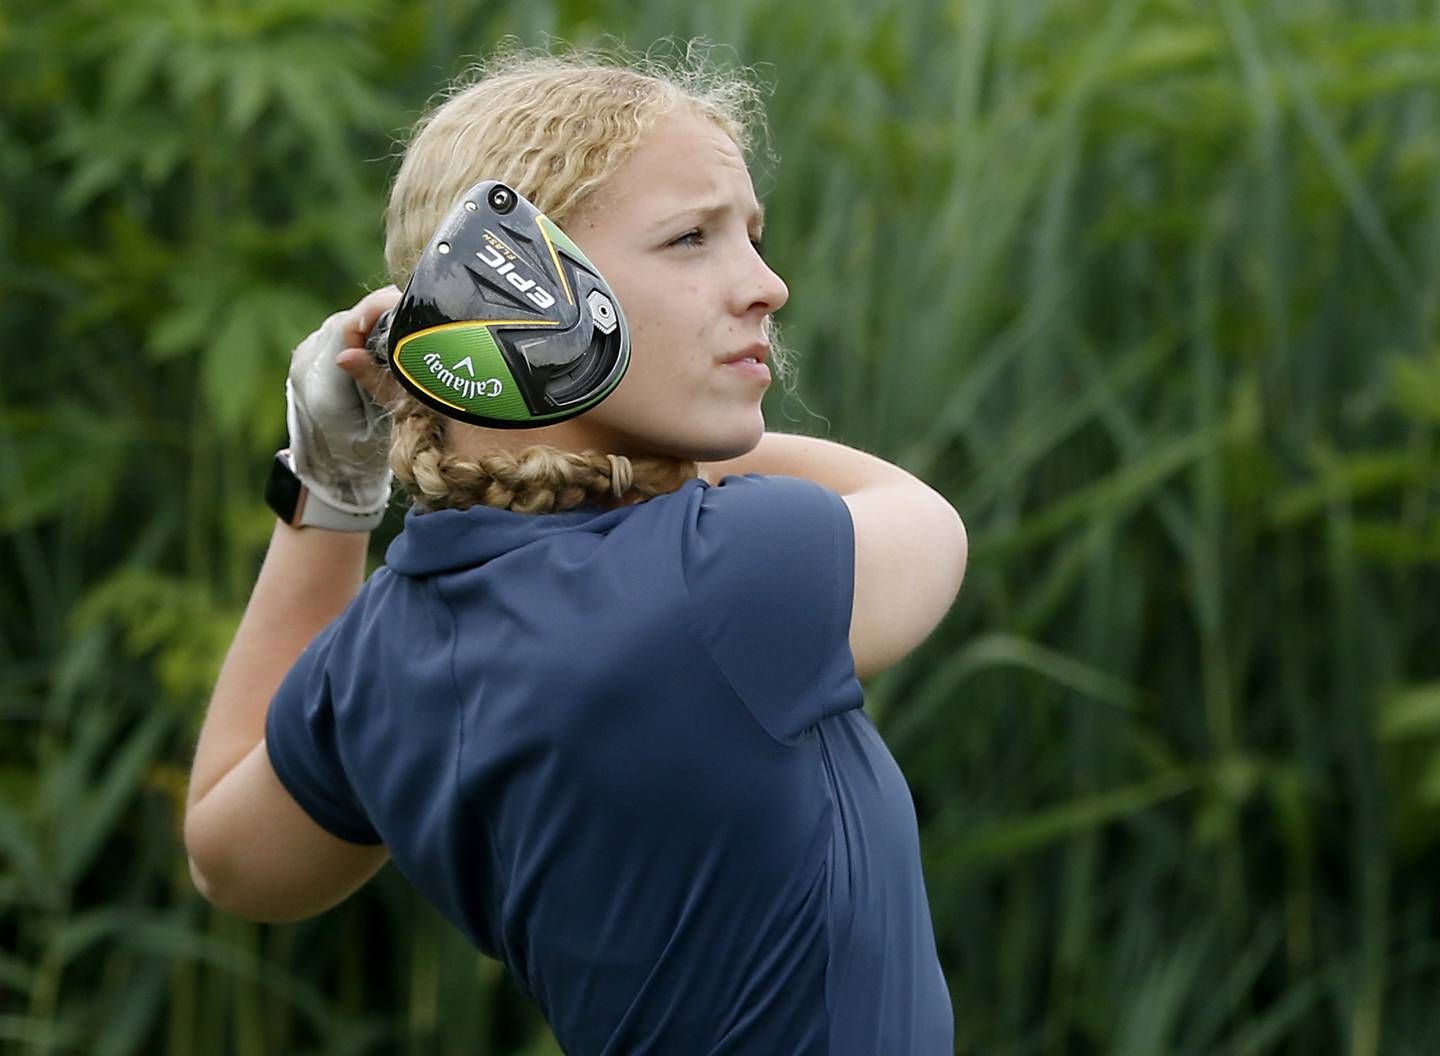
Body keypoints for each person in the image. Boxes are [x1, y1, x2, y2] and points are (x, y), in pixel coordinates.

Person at [183, 44, 968, 1055]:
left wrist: (334, 491)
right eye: (691, 239)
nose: (766, 285)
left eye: (752, 238)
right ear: (515, 299)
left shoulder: (389, 646)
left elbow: (232, 860)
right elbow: (924, 520)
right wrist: (651, 446)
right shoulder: (723, 571)